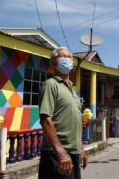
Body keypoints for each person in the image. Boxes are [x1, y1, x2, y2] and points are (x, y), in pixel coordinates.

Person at [38, 46, 87, 179]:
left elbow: (74, 121)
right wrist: (60, 151)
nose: (67, 59)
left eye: (69, 57)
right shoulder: (51, 84)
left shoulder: (72, 89)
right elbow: (45, 119)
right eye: (63, 56)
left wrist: (80, 147)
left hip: (73, 153)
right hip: (57, 154)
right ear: (53, 62)